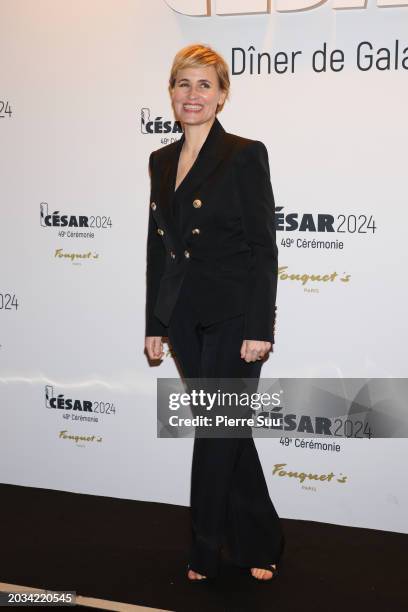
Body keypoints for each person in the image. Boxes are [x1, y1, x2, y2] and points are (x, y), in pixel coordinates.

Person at [145, 44, 284, 581]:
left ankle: (204, 547)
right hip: (183, 315)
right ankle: (260, 539)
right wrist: (155, 324)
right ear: (172, 93)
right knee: (223, 426)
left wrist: (258, 328)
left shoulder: (245, 154)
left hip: (233, 317)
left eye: (205, 85)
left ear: (223, 96)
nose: (193, 95)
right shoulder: (159, 160)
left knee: (216, 430)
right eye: (183, 84)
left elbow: (263, 248)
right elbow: (160, 248)